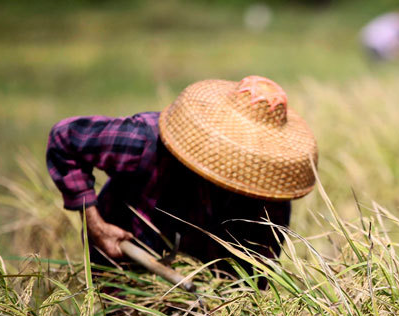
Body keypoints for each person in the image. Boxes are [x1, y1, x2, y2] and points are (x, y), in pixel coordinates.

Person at [46, 76, 318, 284]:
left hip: (205, 274)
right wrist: (95, 225)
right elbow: (65, 138)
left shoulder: (269, 197)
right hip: (125, 254)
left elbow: (254, 277)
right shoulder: (146, 141)